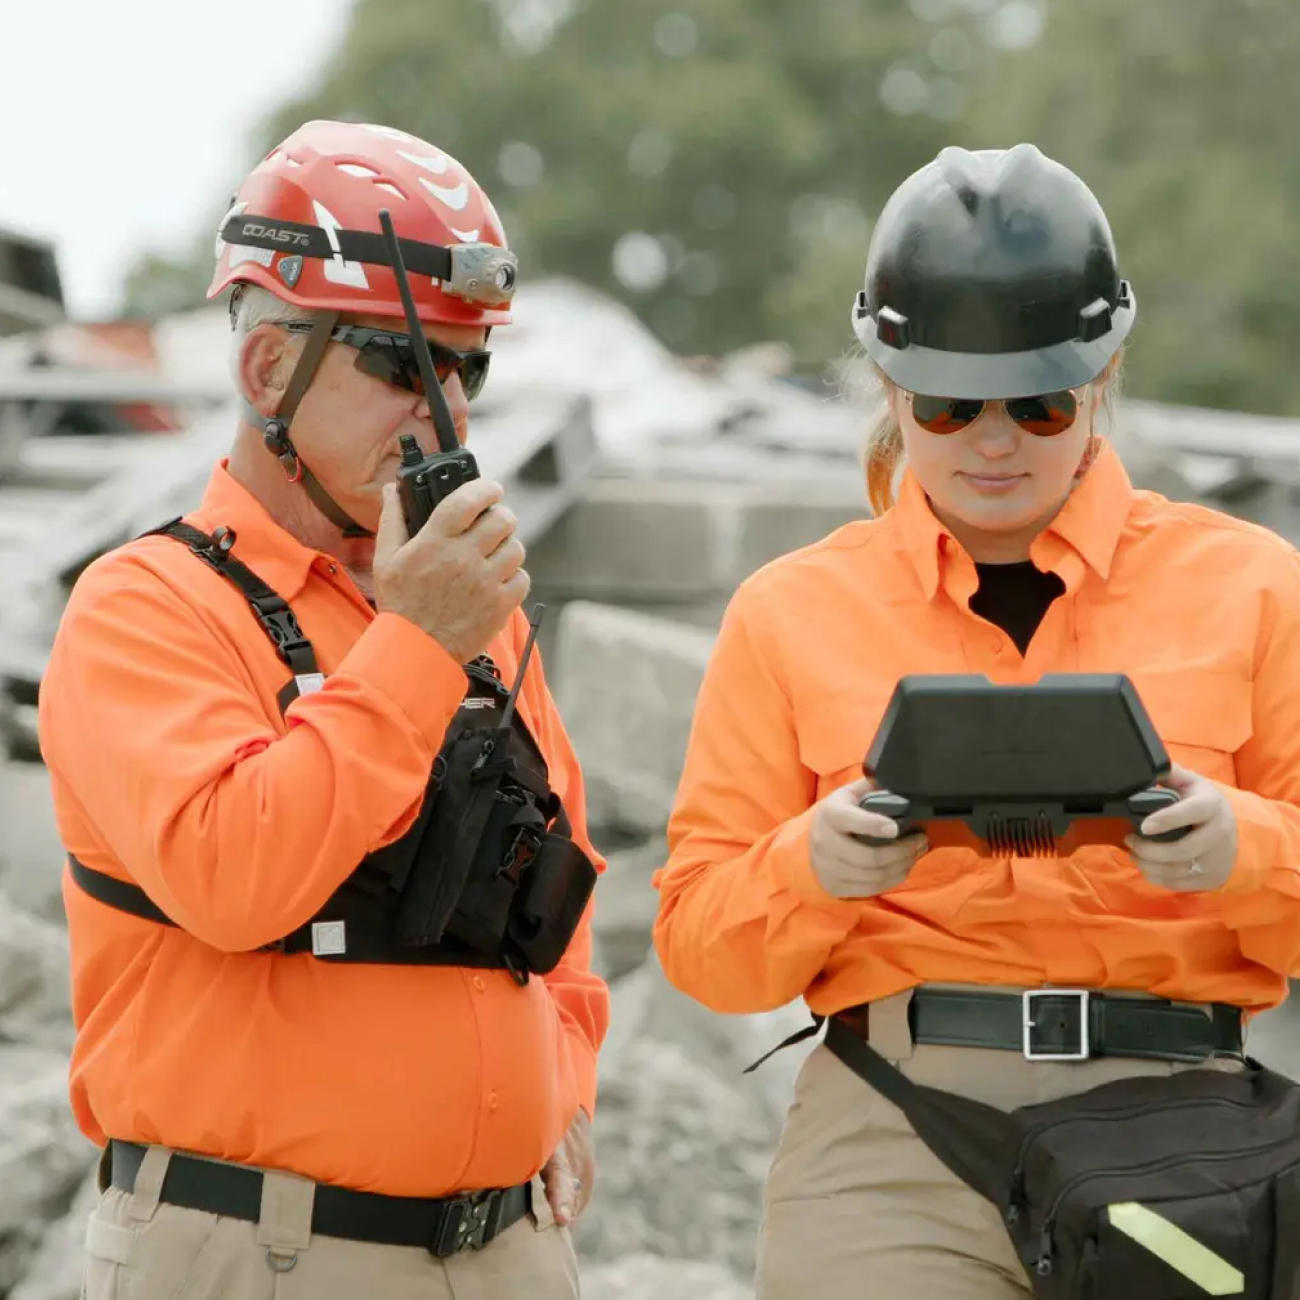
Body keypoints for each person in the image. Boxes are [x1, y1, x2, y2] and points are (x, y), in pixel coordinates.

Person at [651, 143, 1300, 1299]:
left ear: (1101, 374)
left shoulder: (1255, 588)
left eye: (1037, 403)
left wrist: (1239, 849)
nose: (994, 441)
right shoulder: (788, 613)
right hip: (894, 1138)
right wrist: (812, 864)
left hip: (1186, 1140)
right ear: (888, 384)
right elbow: (701, 943)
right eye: (949, 407)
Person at [39, 119, 609, 1300]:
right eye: (405, 365)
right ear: (266, 372)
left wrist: (559, 1082)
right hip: (258, 1253)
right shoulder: (144, 606)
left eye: (468, 368)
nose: (445, 407)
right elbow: (236, 875)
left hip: (505, 1252)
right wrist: (411, 644)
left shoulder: (479, 616)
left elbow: (558, 883)